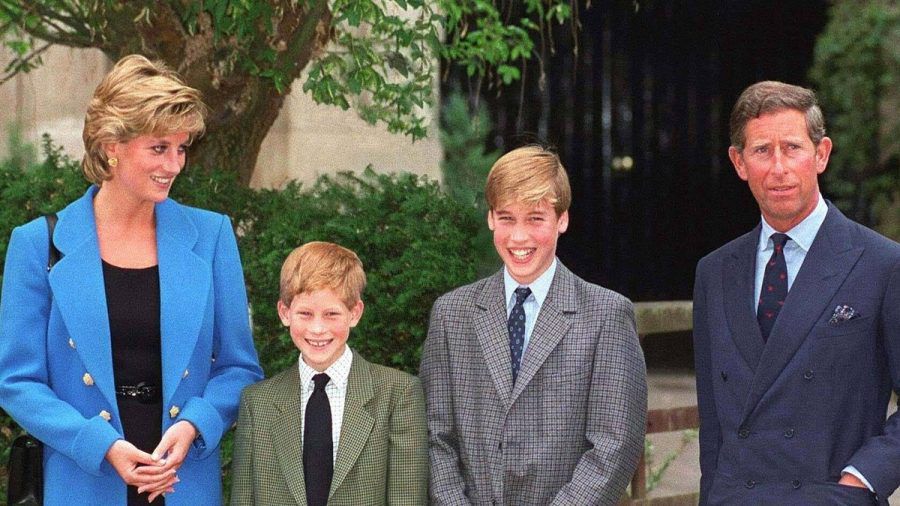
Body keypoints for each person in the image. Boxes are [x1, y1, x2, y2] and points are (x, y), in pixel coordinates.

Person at [0, 54, 263, 505]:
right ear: (110, 145)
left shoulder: (212, 236)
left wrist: (195, 424)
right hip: (82, 482)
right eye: (159, 148)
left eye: (181, 148)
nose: (175, 164)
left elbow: (239, 368)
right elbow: (16, 381)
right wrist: (98, 445)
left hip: (182, 483)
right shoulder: (36, 244)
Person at [693, 80, 900, 504]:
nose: (779, 168)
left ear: (821, 154)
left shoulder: (883, 264)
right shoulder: (714, 272)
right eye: (762, 151)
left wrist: (860, 482)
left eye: (792, 148)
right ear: (739, 162)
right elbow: (713, 424)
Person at [420, 145, 647, 505]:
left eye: (536, 218)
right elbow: (435, 436)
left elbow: (615, 444)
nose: (519, 237)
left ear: (562, 220)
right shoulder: (452, 315)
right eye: (507, 218)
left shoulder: (606, 315)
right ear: (491, 218)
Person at [230, 241, 428, 505]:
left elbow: (407, 499)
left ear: (355, 313)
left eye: (331, 314)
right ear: (284, 312)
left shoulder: (397, 394)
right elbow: (244, 499)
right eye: (305, 314)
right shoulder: (257, 403)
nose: (318, 329)